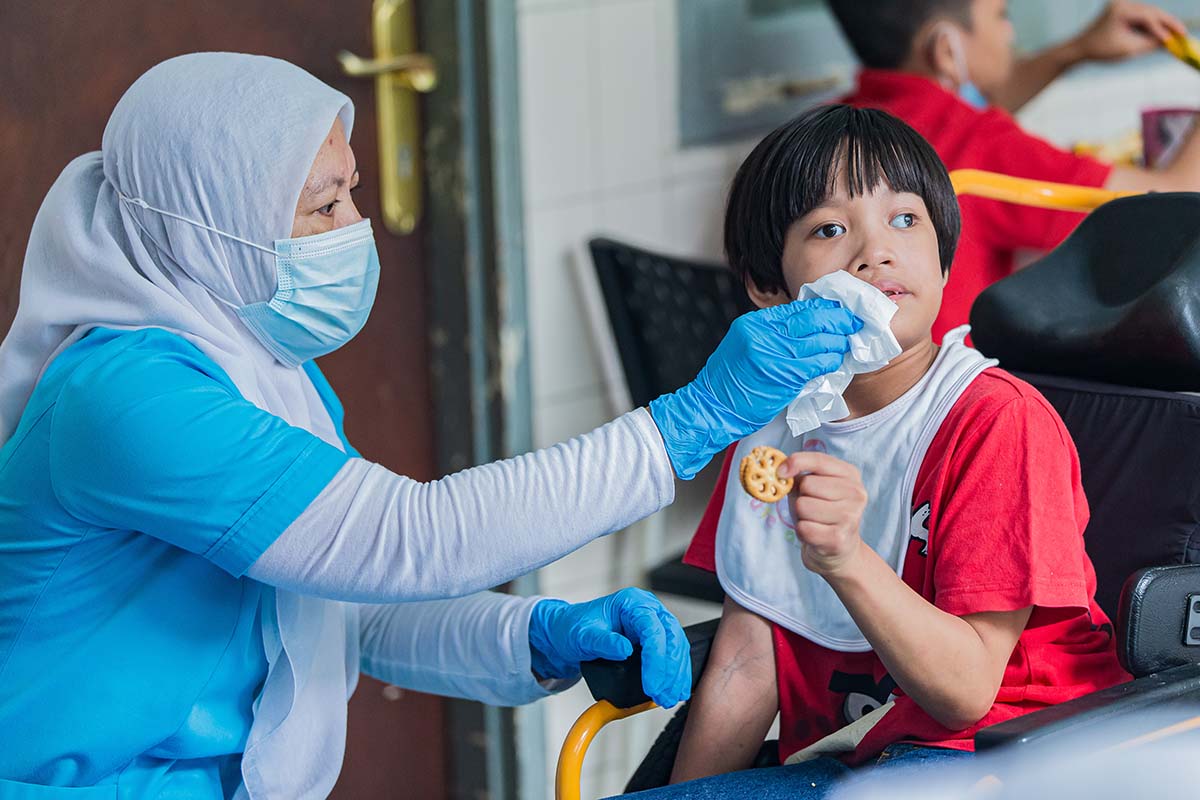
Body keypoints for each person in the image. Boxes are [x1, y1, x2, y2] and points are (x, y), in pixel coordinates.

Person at [0, 54, 865, 799]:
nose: (355, 231)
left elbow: (348, 610)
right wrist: (690, 422)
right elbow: (405, 539)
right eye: (322, 208)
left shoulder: (261, 366)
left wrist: (536, 635)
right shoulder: (126, 397)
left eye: (353, 193)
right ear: (210, 222)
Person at [619, 105, 1129, 799]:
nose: (875, 251)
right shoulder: (773, 426)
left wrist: (845, 559)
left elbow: (966, 693)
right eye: (830, 229)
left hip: (1008, 754)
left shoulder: (994, 422)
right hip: (850, 755)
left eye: (905, 219)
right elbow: (746, 664)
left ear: (945, 260)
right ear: (770, 290)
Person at [828, 0, 1200, 341]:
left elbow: (954, 123)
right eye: (1001, 16)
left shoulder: (832, 127)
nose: (1009, 32)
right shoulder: (981, 146)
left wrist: (1074, 51)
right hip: (958, 392)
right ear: (945, 49)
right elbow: (1171, 202)